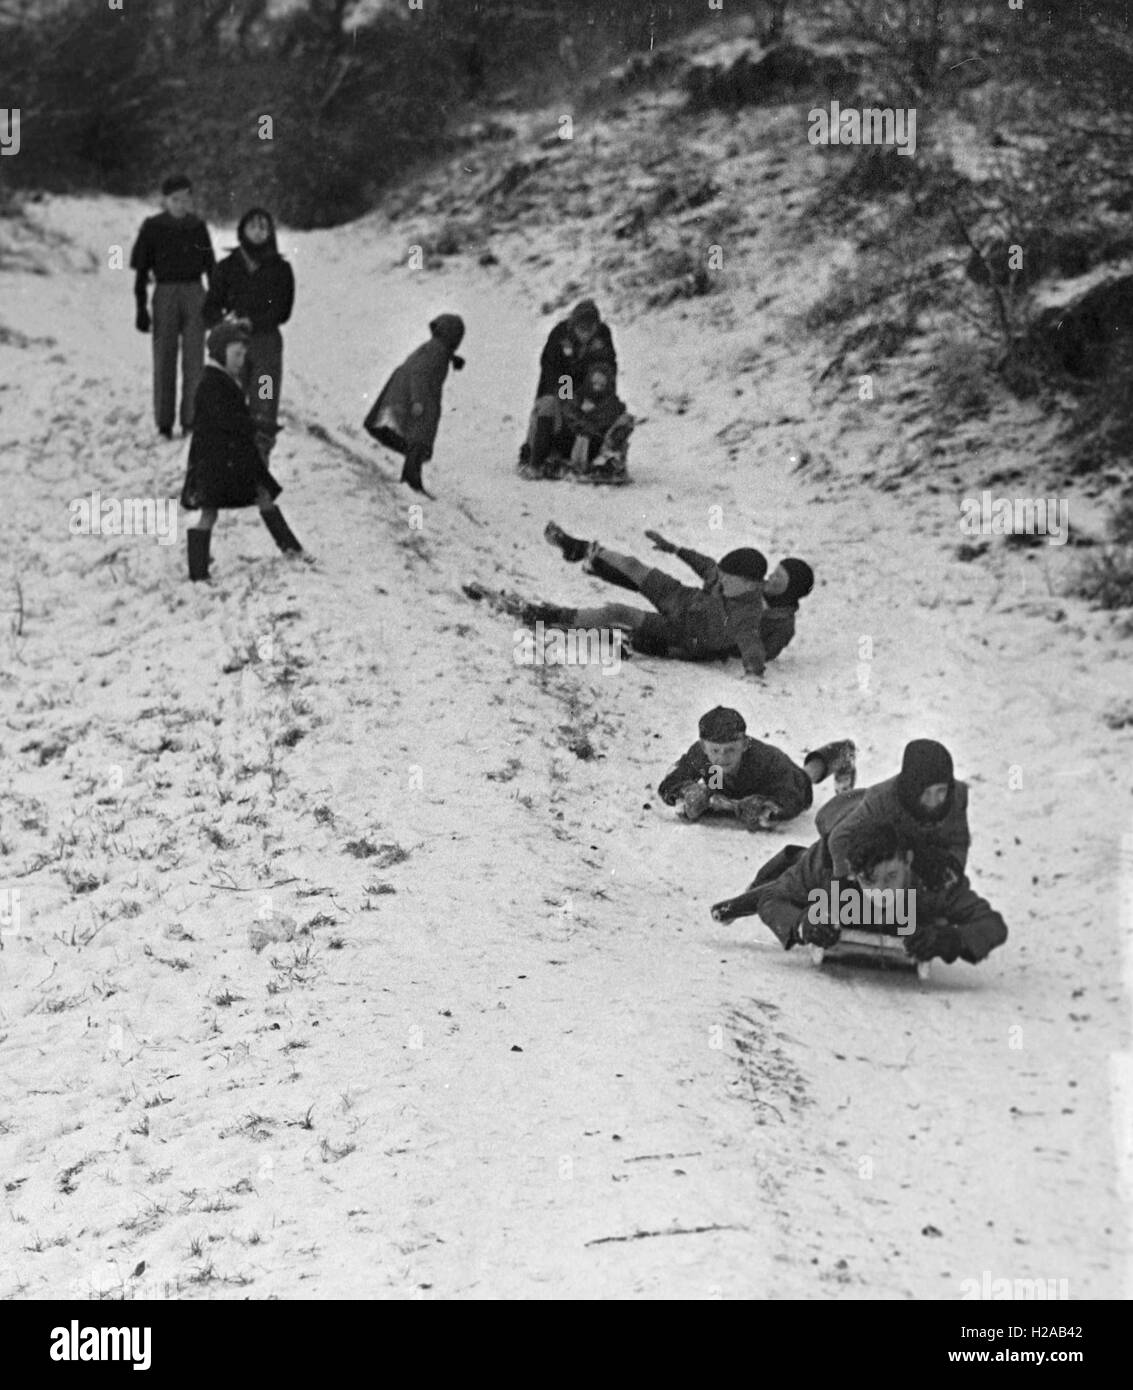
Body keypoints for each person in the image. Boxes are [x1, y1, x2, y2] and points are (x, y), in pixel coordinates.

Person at [710, 818, 1007, 966]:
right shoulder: (829, 866)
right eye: (870, 881)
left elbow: (991, 926)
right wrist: (802, 924)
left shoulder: (933, 880)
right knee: (797, 881)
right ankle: (790, 858)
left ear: (909, 862)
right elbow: (772, 900)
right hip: (842, 821)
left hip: (886, 824)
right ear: (851, 872)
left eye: (892, 877)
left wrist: (947, 940)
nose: (882, 893)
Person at [531, 523, 771, 676]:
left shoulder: (747, 614)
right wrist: (674, 549)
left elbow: (752, 645)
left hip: (683, 633)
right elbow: (706, 565)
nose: (722, 582)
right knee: (632, 566)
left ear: (750, 585)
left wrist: (754, 672)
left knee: (619, 612)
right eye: (722, 577)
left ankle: (555, 616)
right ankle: (579, 549)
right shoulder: (724, 579)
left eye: (729, 580)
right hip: (682, 599)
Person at [180, 322, 303, 581]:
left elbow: (264, 383)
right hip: (224, 456)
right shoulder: (215, 380)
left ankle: (291, 548)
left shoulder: (243, 364)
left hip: (262, 338)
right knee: (223, 506)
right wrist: (255, 423)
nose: (241, 359)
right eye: (237, 355)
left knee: (264, 380)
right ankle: (198, 573)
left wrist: (263, 415)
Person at [657, 705, 856, 830]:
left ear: (744, 744)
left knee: (805, 776)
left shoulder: (767, 761)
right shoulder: (701, 755)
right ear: (703, 746)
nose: (723, 757)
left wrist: (768, 807)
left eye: (730, 750)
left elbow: (793, 797)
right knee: (715, 776)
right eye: (715, 750)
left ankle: (842, 752)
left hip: (770, 786)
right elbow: (670, 782)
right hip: (728, 787)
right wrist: (686, 792)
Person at [202, 207, 295, 463]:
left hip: (266, 350)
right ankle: (228, 471)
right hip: (232, 350)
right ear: (242, 230)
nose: (258, 231)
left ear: (271, 232)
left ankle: (260, 474)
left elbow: (283, 311)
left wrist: (253, 322)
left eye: (263, 227)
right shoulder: (226, 268)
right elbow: (209, 308)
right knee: (229, 406)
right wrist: (224, 325)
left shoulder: (281, 269)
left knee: (263, 407)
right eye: (252, 226)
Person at [130, 174, 215, 438]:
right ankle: (164, 420)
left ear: (191, 200)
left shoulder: (197, 227)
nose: (180, 205)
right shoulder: (153, 227)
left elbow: (210, 266)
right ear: (165, 200)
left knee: (194, 359)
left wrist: (215, 301)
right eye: (174, 199)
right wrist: (141, 307)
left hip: (194, 292)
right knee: (164, 356)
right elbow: (141, 270)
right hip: (165, 292)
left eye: (185, 199)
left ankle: (191, 419)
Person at [642, 531, 814, 661]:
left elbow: (765, 653)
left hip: (701, 643)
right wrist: (677, 550)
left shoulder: (783, 625)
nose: (771, 577)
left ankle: (620, 647)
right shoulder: (751, 584)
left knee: (644, 640)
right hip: (690, 609)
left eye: (779, 578)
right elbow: (712, 569)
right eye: (775, 572)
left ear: (791, 590)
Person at [819, 738, 970, 881]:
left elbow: (958, 841)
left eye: (940, 791)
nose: (934, 800)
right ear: (913, 789)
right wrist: (846, 879)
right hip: (839, 816)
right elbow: (839, 838)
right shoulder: (880, 799)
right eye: (926, 793)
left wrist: (952, 871)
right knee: (820, 863)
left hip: (903, 848)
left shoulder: (957, 795)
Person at [364, 314, 465, 496]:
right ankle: (411, 478)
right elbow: (420, 373)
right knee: (419, 436)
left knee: (418, 436)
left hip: (409, 391)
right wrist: (418, 401)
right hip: (417, 395)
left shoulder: (437, 348)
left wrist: (452, 358)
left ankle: (411, 476)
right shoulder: (437, 351)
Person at [520, 299, 617, 477]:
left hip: (590, 391)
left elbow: (608, 369)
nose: (585, 335)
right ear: (574, 326)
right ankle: (536, 458)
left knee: (611, 413)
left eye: (590, 329)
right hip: (559, 388)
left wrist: (595, 395)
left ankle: (604, 456)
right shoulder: (559, 335)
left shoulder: (603, 336)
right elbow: (551, 369)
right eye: (582, 329)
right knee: (551, 407)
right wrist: (567, 394)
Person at [519, 362, 634, 483]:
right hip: (570, 441)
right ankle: (537, 459)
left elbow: (608, 426)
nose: (597, 387)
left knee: (626, 420)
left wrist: (592, 421)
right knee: (547, 404)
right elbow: (568, 415)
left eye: (602, 384)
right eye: (594, 382)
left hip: (594, 446)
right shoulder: (576, 397)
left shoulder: (614, 405)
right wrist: (582, 419)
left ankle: (606, 466)